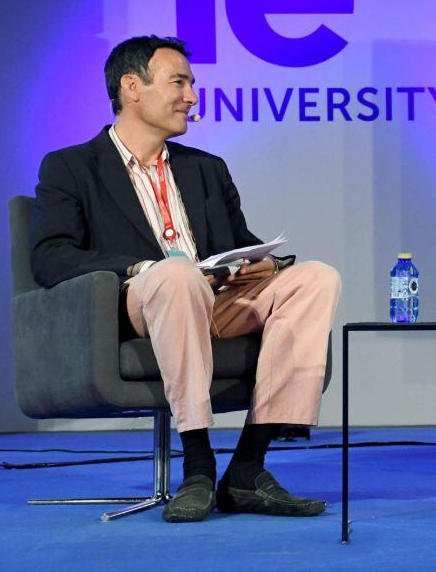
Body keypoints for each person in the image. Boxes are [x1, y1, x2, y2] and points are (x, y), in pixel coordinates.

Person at [30, 36, 342, 523]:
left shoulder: (206, 169)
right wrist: (139, 268)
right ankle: (198, 463)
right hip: (140, 303)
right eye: (179, 82)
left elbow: (242, 241)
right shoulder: (72, 167)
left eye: (192, 84)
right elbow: (50, 258)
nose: (192, 96)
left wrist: (266, 265)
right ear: (132, 88)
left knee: (316, 277)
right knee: (175, 274)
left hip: (217, 299)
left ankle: (248, 467)